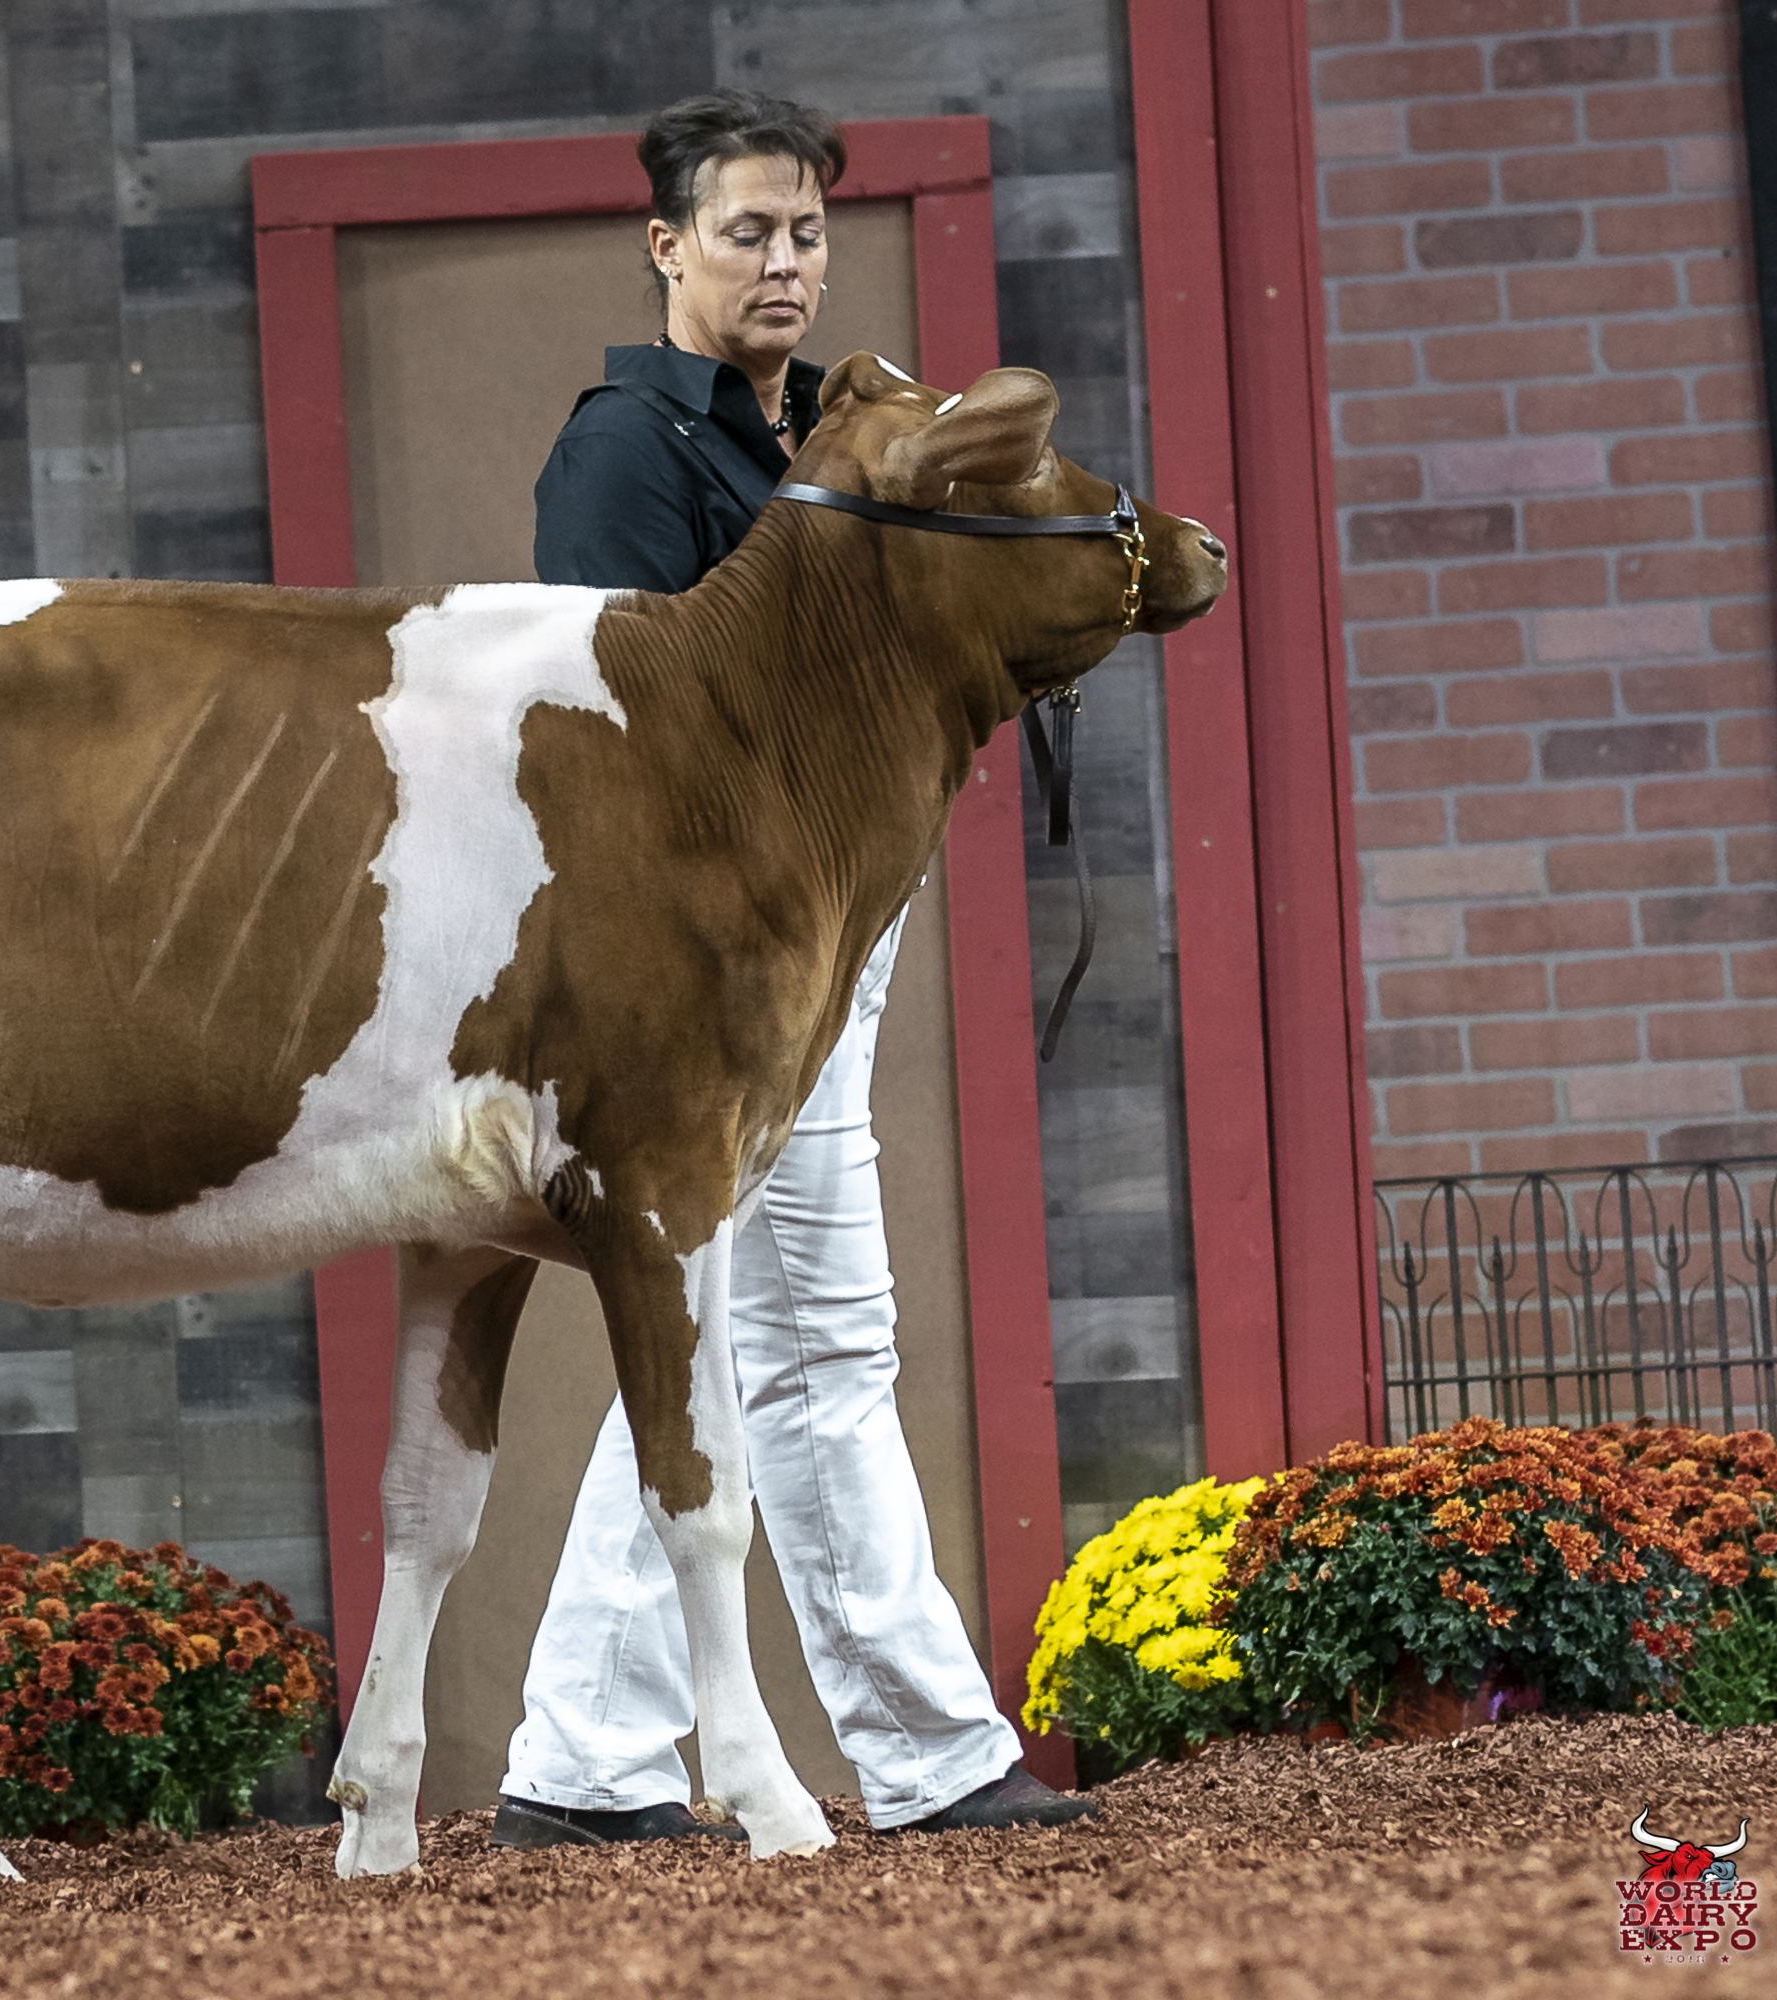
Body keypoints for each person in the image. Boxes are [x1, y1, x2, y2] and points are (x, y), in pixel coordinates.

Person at [489, 88, 1095, 1850]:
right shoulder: (624, 452)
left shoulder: (832, 426)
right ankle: (921, 1754)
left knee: (750, 1349)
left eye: (807, 232)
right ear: (667, 245)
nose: (784, 262)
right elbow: (630, 727)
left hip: (826, 942)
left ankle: (585, 1764)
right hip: (718, 968)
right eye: (746, 231)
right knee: (812, 1343)